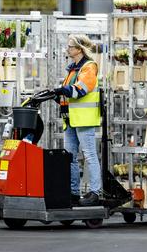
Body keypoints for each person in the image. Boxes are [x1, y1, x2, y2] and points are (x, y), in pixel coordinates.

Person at [53, 34, 101, 206]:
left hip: (84, 120)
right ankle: (73, 192)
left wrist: (62, 90)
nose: (68, 49)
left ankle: (95, 192)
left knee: (89, 155)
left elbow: (80, 90)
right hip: (70, 119)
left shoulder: (89, 67)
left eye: (70, 46)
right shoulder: (72, 69)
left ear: (79, 49)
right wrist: (57, 95)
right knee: (70, 157)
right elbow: (67, 94)